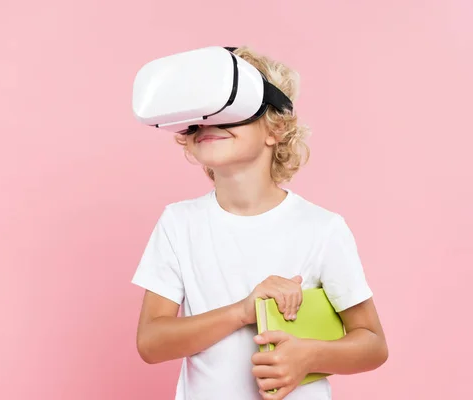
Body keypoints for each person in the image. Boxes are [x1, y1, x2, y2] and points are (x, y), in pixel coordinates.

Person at [130, 45, 388, 400]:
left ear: (275, 128)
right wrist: (240, 311)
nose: (209, 122)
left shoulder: (321, 228)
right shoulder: (178, 224)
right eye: (201, 114)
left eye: (229, 109)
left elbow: (373, 344)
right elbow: (151, 343)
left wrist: (309, 355)